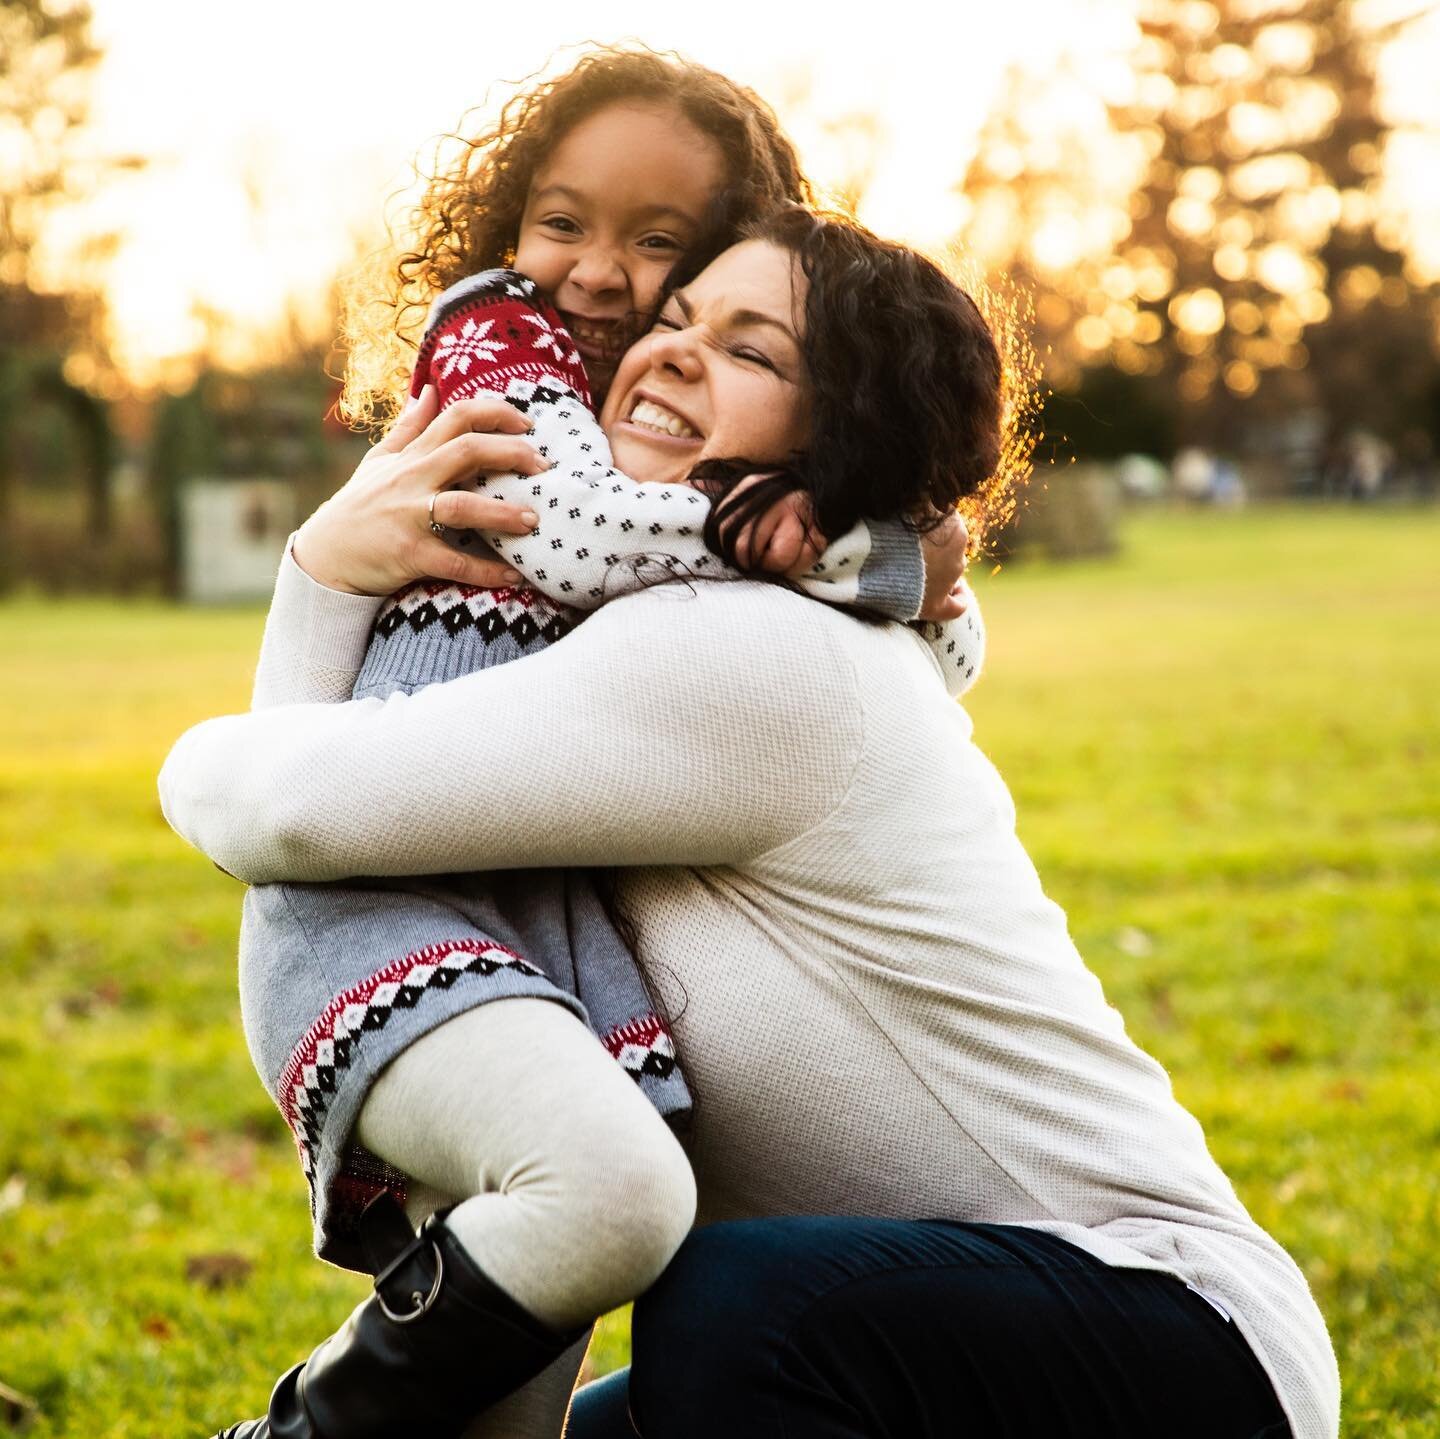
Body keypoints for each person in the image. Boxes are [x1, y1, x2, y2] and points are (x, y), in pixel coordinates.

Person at [162, 206, 1338, 1439]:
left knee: (739, 1310)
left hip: (1177, 1345)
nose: (671, 351)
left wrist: (317, 580)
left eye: (751, 350)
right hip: (948, 1339)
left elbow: (284, 808)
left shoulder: (761, 654)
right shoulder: (712, 629)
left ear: (845, 439)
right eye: (675, 320)